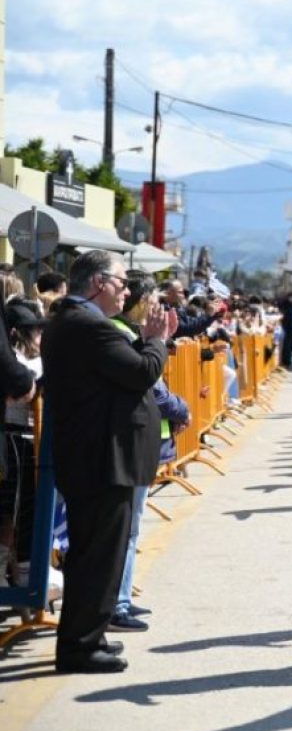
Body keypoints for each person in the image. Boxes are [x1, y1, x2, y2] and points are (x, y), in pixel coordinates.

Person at [42, 251, 173, 673]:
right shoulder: (89, 326)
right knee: (97, 556)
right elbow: (140, 372)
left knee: (97, 554)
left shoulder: (81, 323)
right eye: (121, 282)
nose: (127, 291)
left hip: (99, 456)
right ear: (98, 283)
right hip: (101, 459)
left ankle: (89, 636)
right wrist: (156, 339)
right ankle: (80, 646)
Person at [108, 273, 190, 633]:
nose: (158, 308)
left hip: (146, 441)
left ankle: (122, 597)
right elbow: (152, 386)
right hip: (128, 443)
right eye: (154, 300)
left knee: (131, 527)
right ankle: (115, 603)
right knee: (124, 529)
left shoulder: (135, 334)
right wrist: (181, 409)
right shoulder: (121, 333)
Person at [0, 301, 42, 594]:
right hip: (14, 438)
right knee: (11, 509)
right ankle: (8, 569)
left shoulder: (35, 358)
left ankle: (20, 568)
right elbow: (21, 383)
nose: (38, 335)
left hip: (29, 440)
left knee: (23, 509)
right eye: (34, 330)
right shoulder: (15, 360)